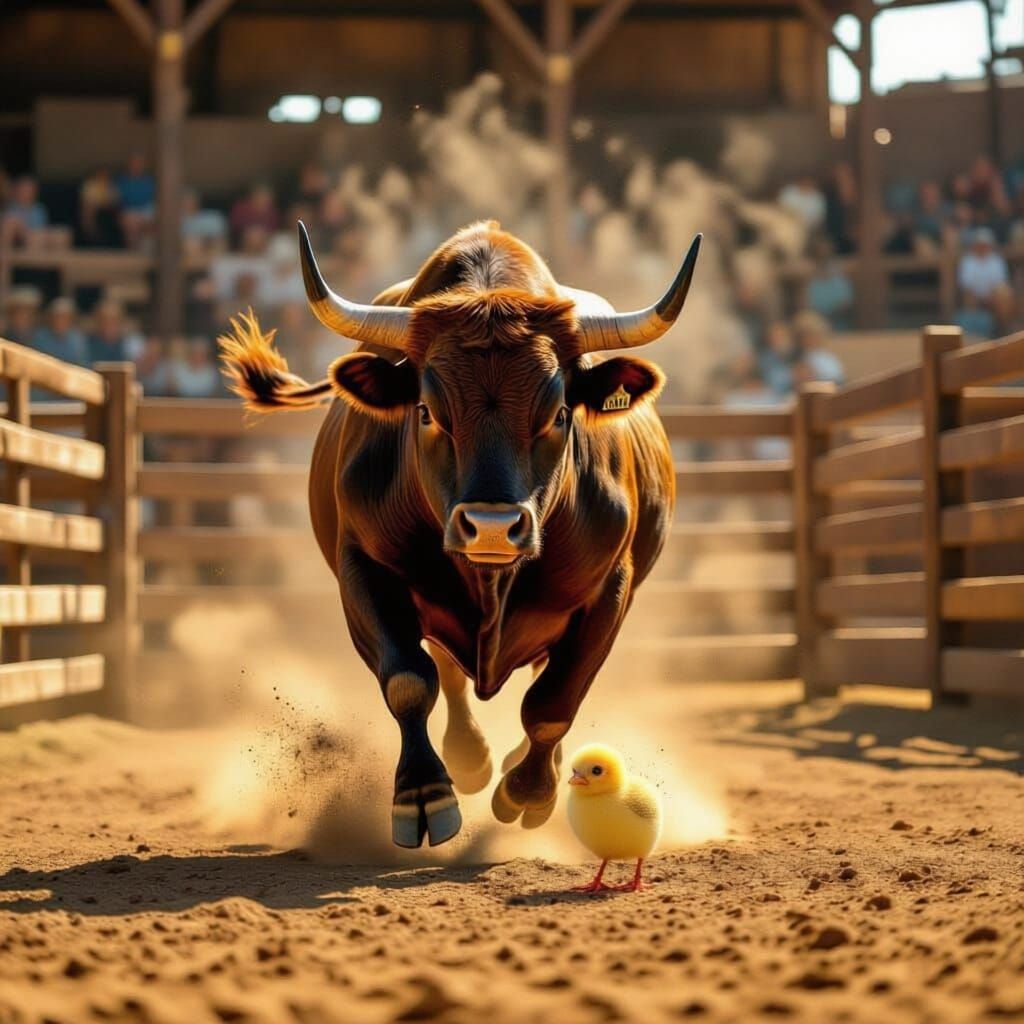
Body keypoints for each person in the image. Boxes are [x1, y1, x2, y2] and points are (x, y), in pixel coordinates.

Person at [957, 227, 1013, 333]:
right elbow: (966, 285)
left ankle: (1003, 328)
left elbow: (1000, 283)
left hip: (992, 296)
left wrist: (990, 297)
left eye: (985, 244)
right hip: (974, 297)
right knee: (969, 296)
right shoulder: (968, 261)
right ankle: (974, 334)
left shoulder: (996, 260)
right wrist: (980, 298)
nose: (982, 247)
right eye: (980, 244)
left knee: (1003, 294)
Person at [806, 239, 854, 331]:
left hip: (839, 328)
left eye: (825, 252)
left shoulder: (841, 277)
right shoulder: (807, 278)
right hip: (814, 328)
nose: (822, 255)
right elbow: (804, 304)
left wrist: (830, 317)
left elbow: (847, 304)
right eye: (818, 252)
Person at [792, 310, 844, 387]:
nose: (807, 339)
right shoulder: (797, 357)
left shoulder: (828, 360)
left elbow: (838, 382)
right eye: (803, 336)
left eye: (811, 335)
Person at [115, 153, 156, 248]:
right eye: (134, 163)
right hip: (129, 211)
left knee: (156, 221)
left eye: (139, 163)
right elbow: (116, 199)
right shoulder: (122, 181)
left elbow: (156, 199)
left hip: (148, 210)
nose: (136, 166)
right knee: (131, 222)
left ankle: (148, 253)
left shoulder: (149, 180)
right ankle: (133, 254)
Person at [87, 298, 145, 363]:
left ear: (122, 322)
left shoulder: (131, 343)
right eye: (104, 320)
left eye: (114, 321)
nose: (108, 326)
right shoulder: (85, 344)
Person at [35, 297, 88, 365]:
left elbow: (82, 363)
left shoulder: (77, 338)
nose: (60, 321)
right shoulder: (40, 337)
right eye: (57, 317)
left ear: (71, 319)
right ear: (50, 318)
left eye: (64, 317)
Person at [2, 176, 48, 247]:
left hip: (33, 236)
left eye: (29, 190)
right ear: (18, 191)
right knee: (11, 222)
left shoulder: (38, 209)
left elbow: (41, 228)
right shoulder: (11, 207)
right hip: (16, 238)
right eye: (23, 190)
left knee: (60, 234)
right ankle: (5, 252)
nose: (26, 193)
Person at [181, 188, 228, 253]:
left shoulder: (213, 218)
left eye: (189, 199)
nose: (186, 202)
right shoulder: (172, 222)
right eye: (182, 200)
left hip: (211, 254)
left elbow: (221, 243)